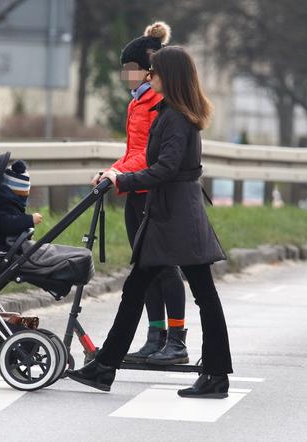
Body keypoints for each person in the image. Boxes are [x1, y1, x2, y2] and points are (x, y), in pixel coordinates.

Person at [71, 46, 234, 399]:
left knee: (201, 293)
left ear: (168, 77)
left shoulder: (175, 116)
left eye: (154, 72)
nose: (149, 76)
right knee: (145, 290)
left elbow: (165, 168)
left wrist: (122, 181)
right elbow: (150, 158)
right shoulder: (172, 113)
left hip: (175, 216)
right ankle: (105, 367)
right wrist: (118, 172)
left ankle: (215, 374)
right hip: (172, 213)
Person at [92, 21, 189, 365]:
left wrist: (117, 172)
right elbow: (133, 149)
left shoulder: (157, 103)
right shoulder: (136, 103)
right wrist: (112, 170)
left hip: (153, 192)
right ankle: (155, 335)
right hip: (136, 189)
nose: (125, 76)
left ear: (148, 70)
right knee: (143, 264)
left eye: (129, 70)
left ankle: (176, 339)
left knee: (164, 266)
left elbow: (149, 155)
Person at [0, 160, 43, 252]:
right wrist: (30, 219)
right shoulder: (0, 206)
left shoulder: (9, 204)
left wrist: (25, 235)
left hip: (10, 246)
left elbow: (15, 223)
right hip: (1, 248)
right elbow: (8, 224)